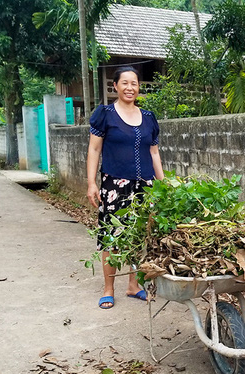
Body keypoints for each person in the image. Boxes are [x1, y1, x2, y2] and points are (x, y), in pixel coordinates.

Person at [86, 66, 165, 309]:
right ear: (115, 86)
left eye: (134, 83)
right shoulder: (105, 114)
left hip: (145, 185)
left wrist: (163, 185)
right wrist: (91, 183)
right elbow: (94, 149)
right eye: (125, 83)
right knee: (111, 238)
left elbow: (154, 152)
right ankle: (108, 288)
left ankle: (134, 285)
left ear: (139, 87)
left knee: (141, 236)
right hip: (114, 184)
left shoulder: (149, 117)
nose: (130, 88)